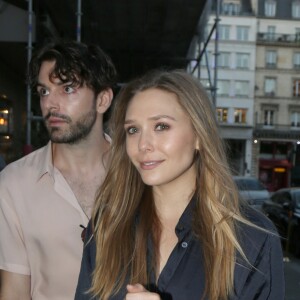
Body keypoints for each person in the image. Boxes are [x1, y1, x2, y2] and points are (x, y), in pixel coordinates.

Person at [75, 69, 285, 300]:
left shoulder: (252, 238)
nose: (143, 144)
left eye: (161, 126)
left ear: (198, 135)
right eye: (133, 130)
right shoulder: (107, 225)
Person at [0, 40, 117, 299]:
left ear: (103, 99)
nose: (50, 104)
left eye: (67, 88)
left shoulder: (138, 173)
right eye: (44, 91)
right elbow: (14, 290)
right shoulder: (14, 183)